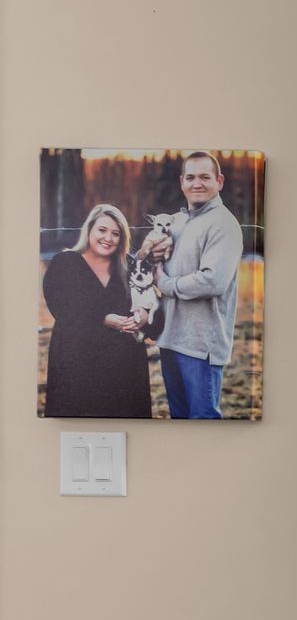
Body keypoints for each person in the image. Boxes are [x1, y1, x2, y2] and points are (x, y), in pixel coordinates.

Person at [146, 151, 243, 420]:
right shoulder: (176, 223)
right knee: (180, 424)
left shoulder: (223, 224)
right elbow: (158, 259)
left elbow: (212, 280)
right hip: (170, 340)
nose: (196, 183)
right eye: (190, 177)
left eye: (204, 177)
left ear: (219, 181)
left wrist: (165, 283)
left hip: (200, 346)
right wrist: (154, 256)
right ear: (181, 182)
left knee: (203, 425)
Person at [41, 204, 152, 418]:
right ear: (89, 229)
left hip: (123, 369)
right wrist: (103, 319)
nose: (108, 238)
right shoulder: (65, 263)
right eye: (102, 230)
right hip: (77, 363)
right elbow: (62, 305)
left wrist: (145, 316)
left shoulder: (128, 269)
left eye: (115, 233)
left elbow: (152, 305)